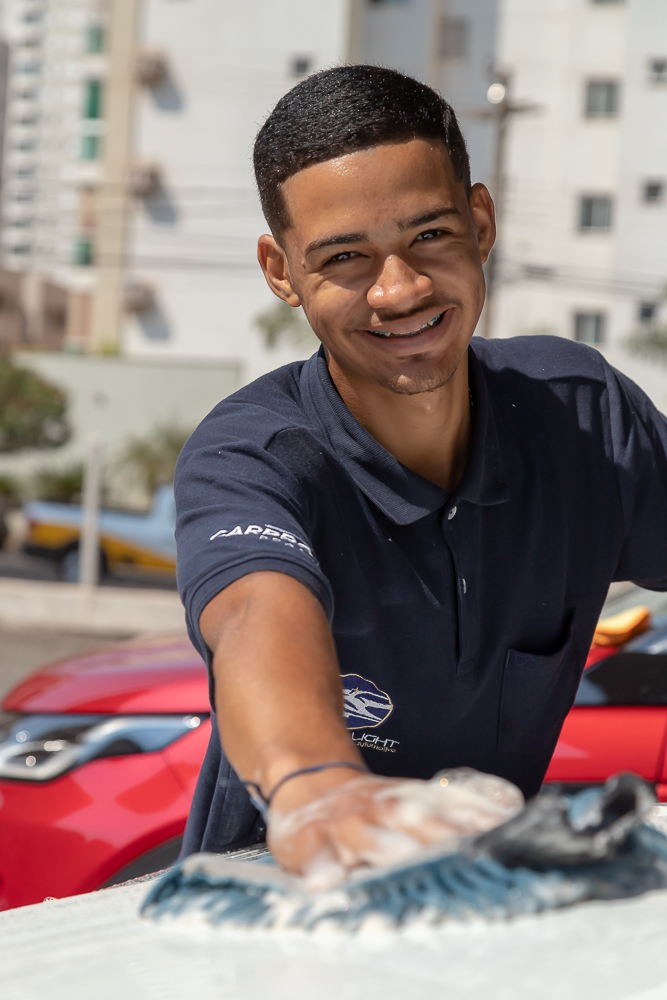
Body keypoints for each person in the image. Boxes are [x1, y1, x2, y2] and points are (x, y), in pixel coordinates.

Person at [175, 65, 667, 880]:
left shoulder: (582, 414)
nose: (398, 290)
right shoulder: (251, 459)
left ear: (480, 221)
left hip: (486, 919)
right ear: (279, 272)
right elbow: (256, 615)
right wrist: (317, 790)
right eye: (344, 257)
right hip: (277, 924)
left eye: (429, 236)